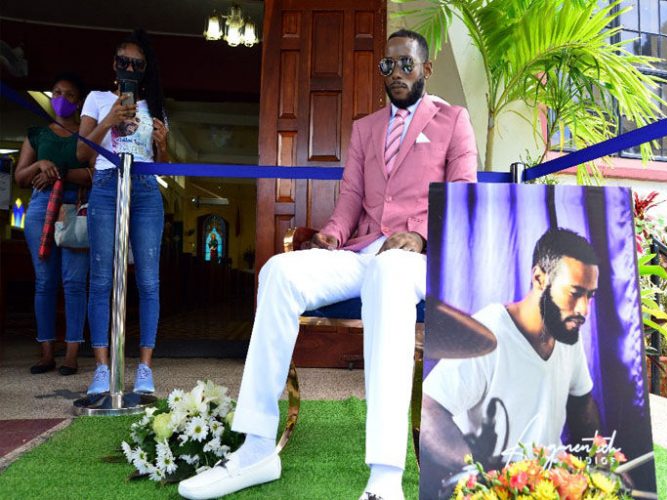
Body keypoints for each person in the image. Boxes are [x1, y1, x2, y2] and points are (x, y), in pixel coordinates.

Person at [178, 29, 477, 500]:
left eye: (405, 65)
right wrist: (331, 235)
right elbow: (352, 199)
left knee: (389, 272)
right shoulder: (366, 128)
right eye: (388, 66)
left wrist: (420, 234)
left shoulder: (453, 121)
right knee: (278, 271)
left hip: (417, 261)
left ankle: (384, 477)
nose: (395, 74)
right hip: (364, 253)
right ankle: (256, 447)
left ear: (425, 70)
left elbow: (462, 199)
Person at [420, 228, 602, 497]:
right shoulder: (490, 329)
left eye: (591, 296)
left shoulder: (567, 333)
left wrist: (599, 465)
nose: (584, 309)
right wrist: (480, 480)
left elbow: (582, 404)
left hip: (547, 487)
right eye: (575, 293)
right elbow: (428, 408)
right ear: (539, 277)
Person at [77, 29, 169, 395]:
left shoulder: (156, 107)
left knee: (148, 280)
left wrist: (163, 145)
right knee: (100, 278)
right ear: (114, 65)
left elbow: (162, 167)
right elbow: (82, 155)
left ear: (145, 69)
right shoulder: (98, 99)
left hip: (145, 190)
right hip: (104, 186)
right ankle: (102, 367)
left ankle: (145, 366)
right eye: (123, 61)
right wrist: (108, 120)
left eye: (137, 63)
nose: (129, 67)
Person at [14, 73, 93, 376]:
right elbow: (22, 176)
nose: (61, 98)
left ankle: (72, 353)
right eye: (56, 92)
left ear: (79, 102)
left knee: (74, 282)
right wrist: (39, 165)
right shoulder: (37, 134)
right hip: (40, 209)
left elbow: (93, 174)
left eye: (69, 94)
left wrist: (58, 170)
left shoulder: (86, 136)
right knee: (45, 282)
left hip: (76, 207)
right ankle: (46, 352)